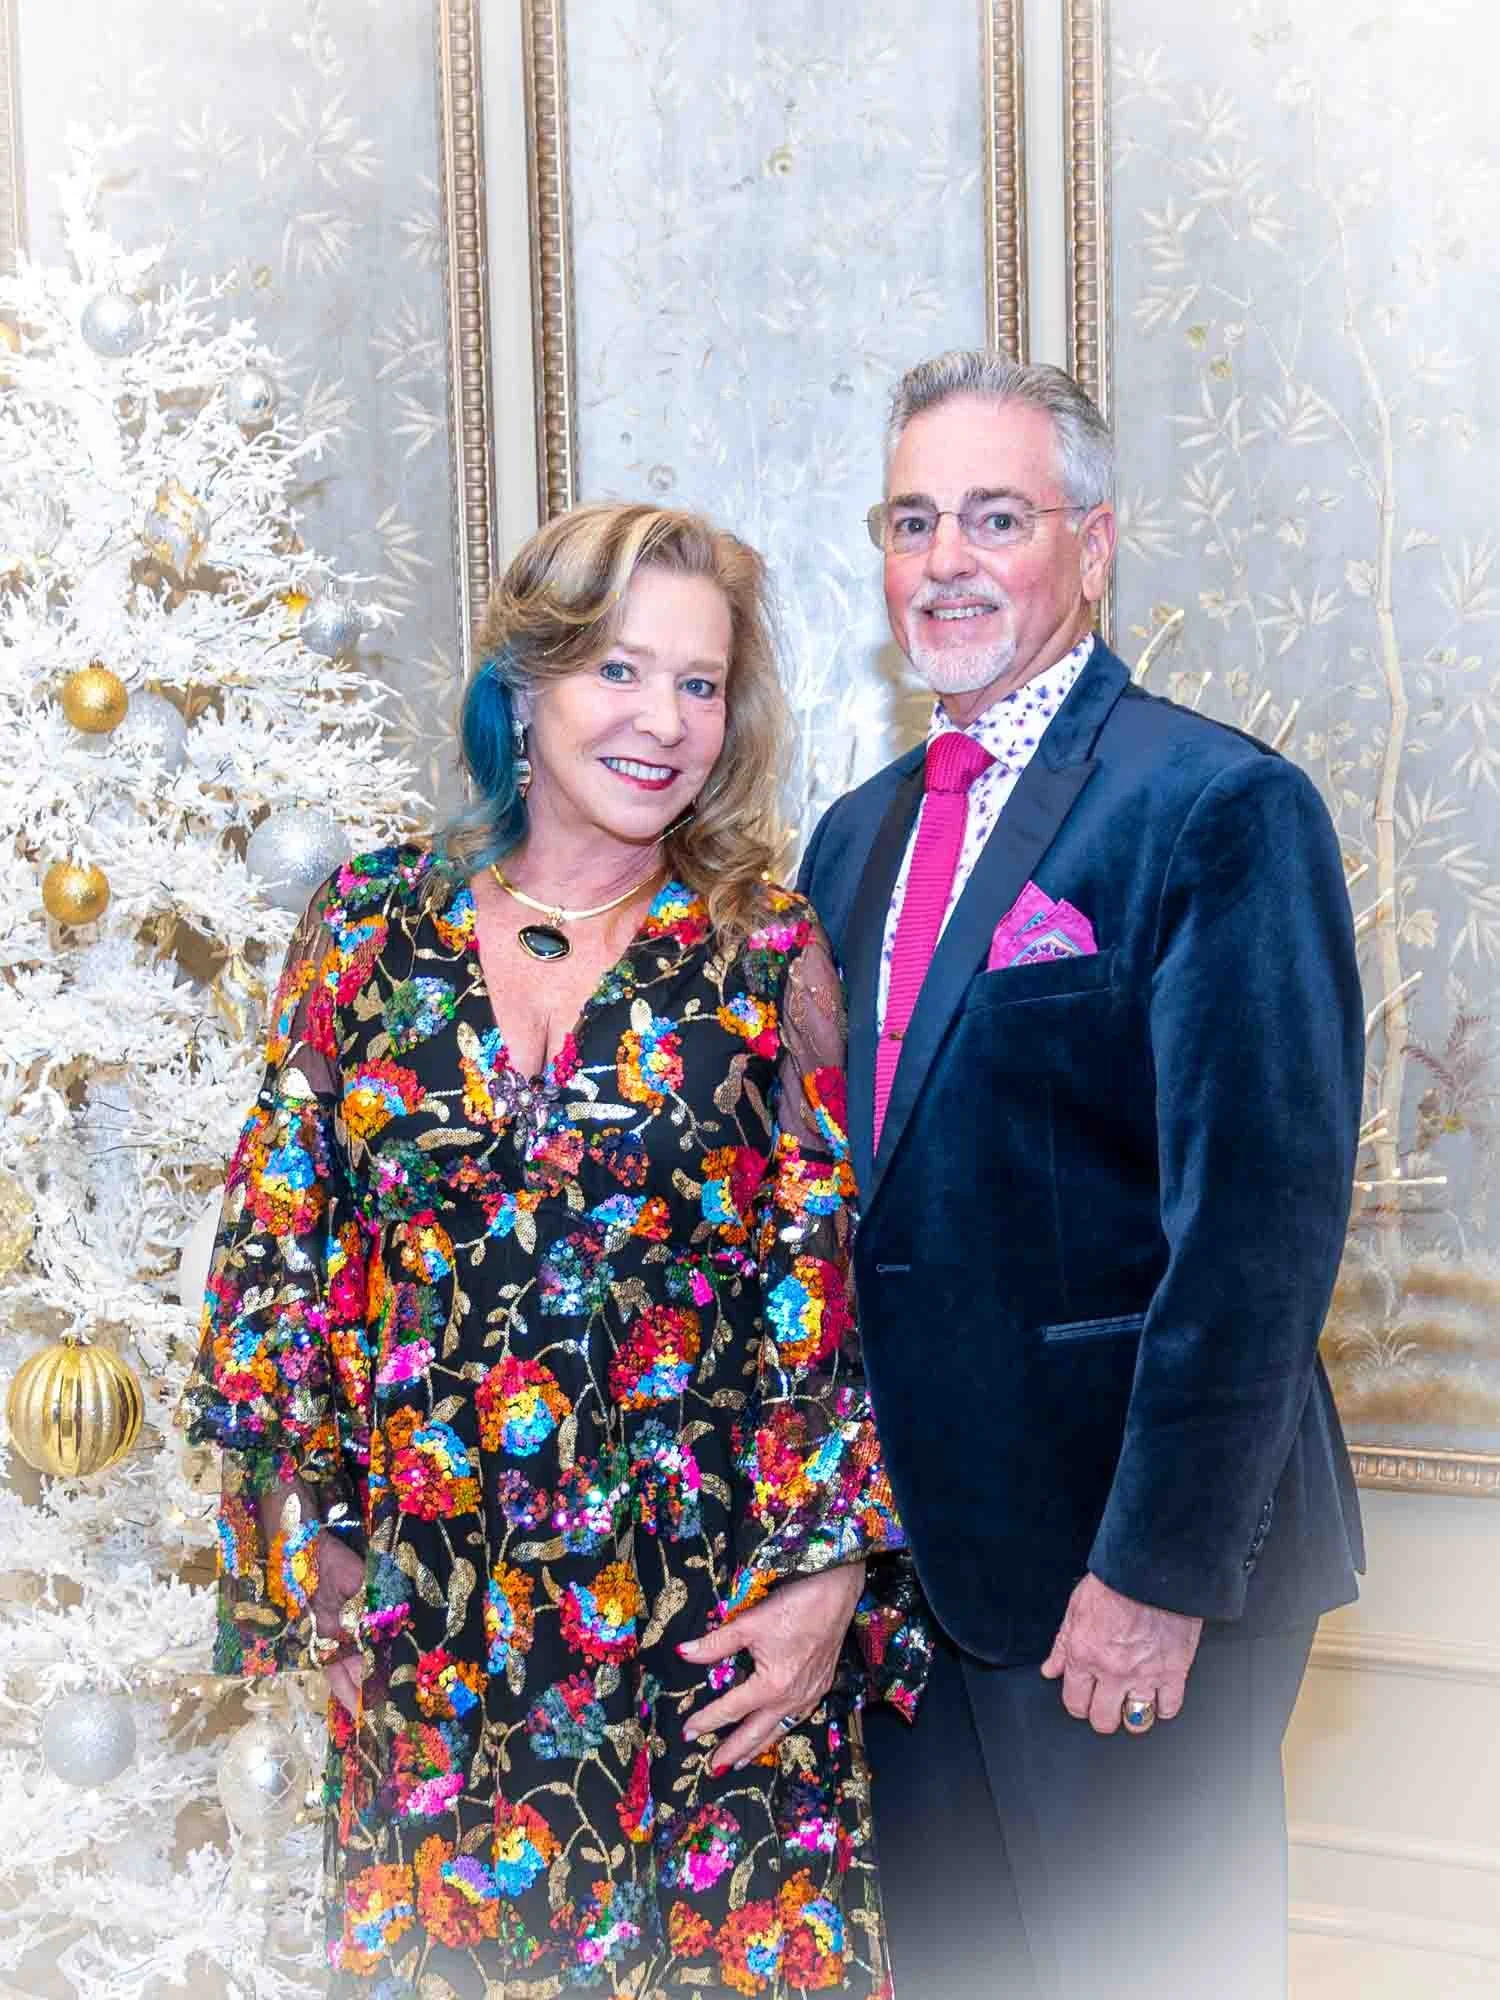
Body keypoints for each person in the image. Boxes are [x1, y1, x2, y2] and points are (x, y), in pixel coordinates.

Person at [180, 502, 917, 1999]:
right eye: (619, 672)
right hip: (434, 1635)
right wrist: (308, 1551)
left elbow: (822, 1299)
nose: (663, 723)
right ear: (524, 688)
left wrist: (829, 1575)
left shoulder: (768, 955)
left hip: (705, 1651)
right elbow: (272, 1262)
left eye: (700, 685)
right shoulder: (368, 929)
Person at [798, 351, 1366, 2000]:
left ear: (1093, 544)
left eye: (998, 516)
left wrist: (1153, 1576)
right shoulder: (853, 838)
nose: (948, 560)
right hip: (917, 1585)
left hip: (1124, 1578)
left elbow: (1253, 1235)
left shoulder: (1214, 808)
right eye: (915, 521)